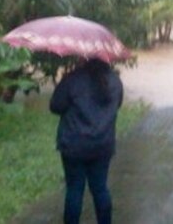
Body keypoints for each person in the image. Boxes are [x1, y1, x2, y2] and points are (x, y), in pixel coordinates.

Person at [49, 59, 124, 224]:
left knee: (74, 189)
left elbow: (55, 106)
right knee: (100, 188)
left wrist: (63, 82)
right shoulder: (115, 81)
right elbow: (116, 105)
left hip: (73, 145)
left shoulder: (72, 79)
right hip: (103, 145)